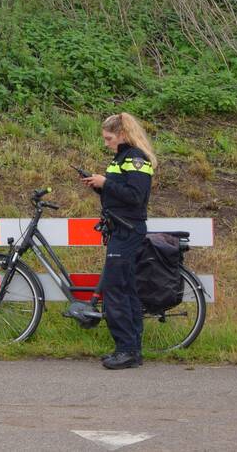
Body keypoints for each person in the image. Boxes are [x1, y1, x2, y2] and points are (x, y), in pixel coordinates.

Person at [80, 112, 156, 370]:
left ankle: (126, 350)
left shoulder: (136, 158)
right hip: (120, 229)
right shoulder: (122, 158)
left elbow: (136, 196)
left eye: (109, 138)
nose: (106, 143)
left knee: (115, 291)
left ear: (122, 134)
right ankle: (131, 349)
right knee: (126, 289)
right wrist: (99, 186)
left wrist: (106, 183)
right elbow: (119, 193)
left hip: (128, 230)